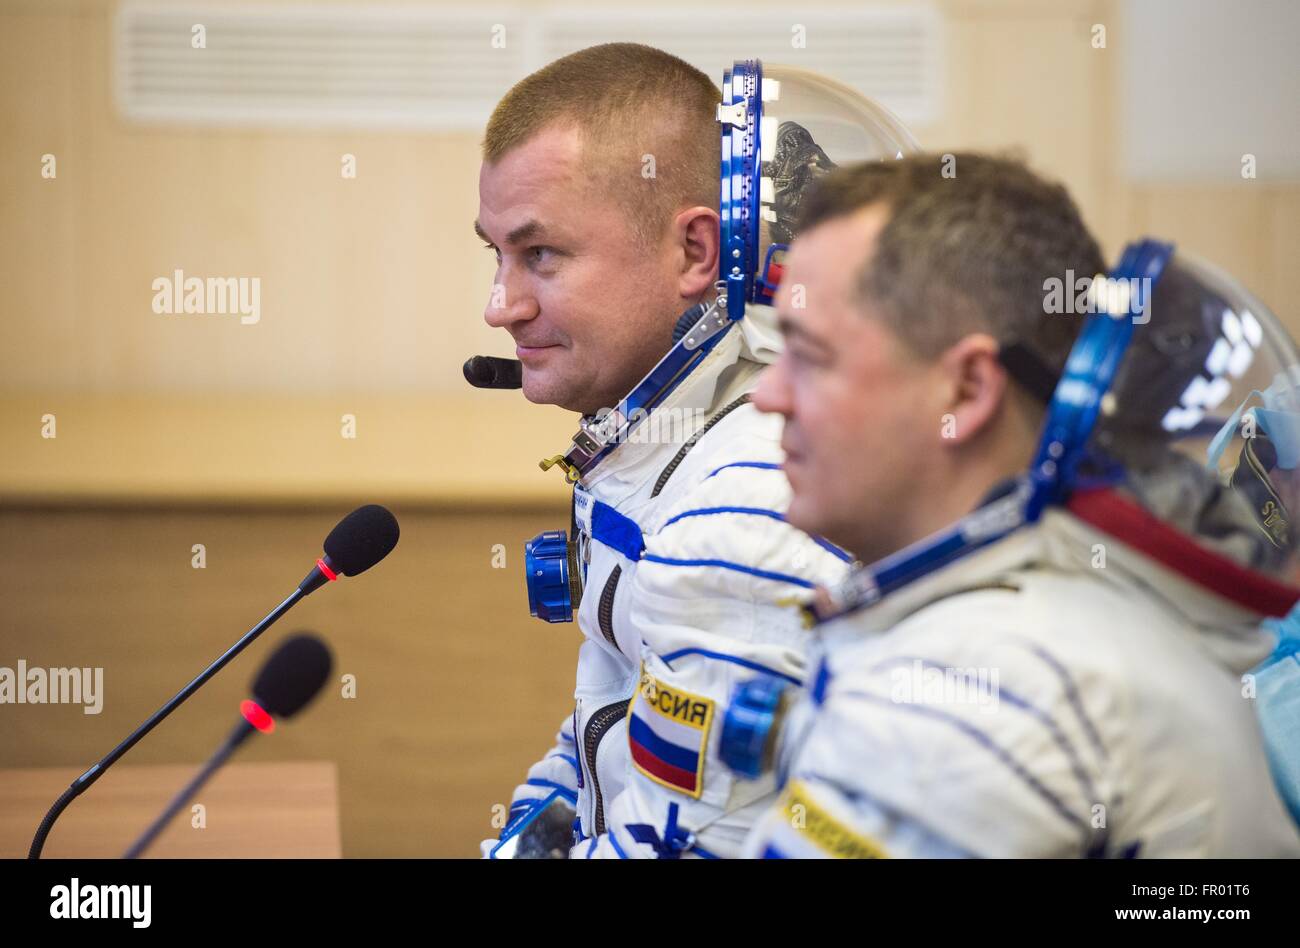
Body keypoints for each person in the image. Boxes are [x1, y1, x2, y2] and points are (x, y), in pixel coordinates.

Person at [731, 151, 1300, 857]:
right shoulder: (1056, 625)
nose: (767, 394)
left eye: (809, 357)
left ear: (967, 392)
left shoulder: (979, 691)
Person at [472, 43, 917, 857]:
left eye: (540, 255)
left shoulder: (736, 511)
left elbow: (693, 847)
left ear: (695, 254)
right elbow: (609, 728)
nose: (501, 306)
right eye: (494, 254)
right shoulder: (666, 445)